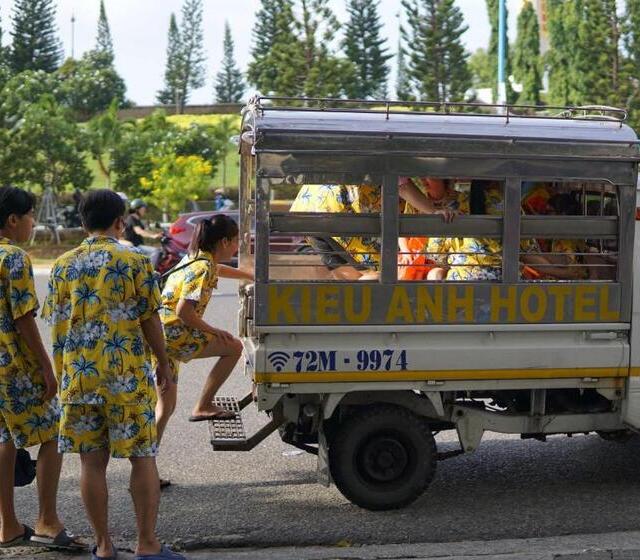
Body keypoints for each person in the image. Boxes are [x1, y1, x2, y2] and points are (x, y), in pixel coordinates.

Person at [43, 189, 185, 560]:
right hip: (125, 380)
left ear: (83, 221)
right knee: (142, 456)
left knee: (91, 462)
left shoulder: (62, 265)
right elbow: (150, 317)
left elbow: (57, 325)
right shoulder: (133, 259)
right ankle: (147, 544)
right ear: (120, 221)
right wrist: (164, 364)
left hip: (78, 379)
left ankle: (104, 547)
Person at [0, 187, 82, 551]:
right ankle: (47, 520)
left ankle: (7, 526)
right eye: (31, 215)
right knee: (54, 432)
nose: (33, 223)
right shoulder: (13, 258)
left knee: (4, 438)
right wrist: (47, 369)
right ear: (13, 220)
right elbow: (24, 319)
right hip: (14, 366)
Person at [155, 214, 254, 452]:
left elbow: (217, 269)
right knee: (233, 346)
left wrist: (249, 275)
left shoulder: (196, 259)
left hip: (159, 335)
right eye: (235, 242)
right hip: (174, 333)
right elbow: (184, 312)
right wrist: (215, 330)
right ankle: (204, 405)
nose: (236, 247)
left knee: (165, 406)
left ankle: (146, 469)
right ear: (224, 242)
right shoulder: (202, 268)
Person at [290, 182, 454, 280]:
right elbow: (402, 185)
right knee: (379, 275)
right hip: (338, 211)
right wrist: (432, 211)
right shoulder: (389, 140)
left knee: (351, 277)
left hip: (306, 211)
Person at [123, 199, 162, 266]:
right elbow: (139, 231)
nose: (144, 210)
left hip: (138, 245)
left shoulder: (137, 219)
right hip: (134, 246)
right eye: (143, 208)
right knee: (155, 251)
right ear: (137, 209)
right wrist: (153, 236)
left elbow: (145, 231)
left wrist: (157, 234)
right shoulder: (131, 218)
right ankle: (150, 272)